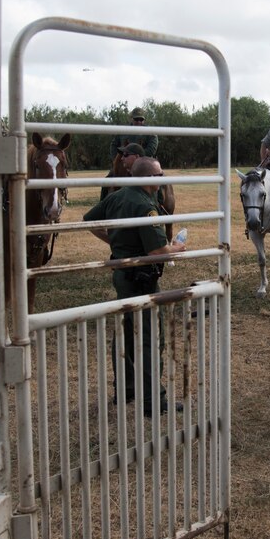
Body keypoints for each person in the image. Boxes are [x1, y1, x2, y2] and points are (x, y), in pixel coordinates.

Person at [83, 156, 186, 416]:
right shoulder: (144, 205)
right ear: (148, 179)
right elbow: (157, 251)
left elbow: (89, 220)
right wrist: (177, 248)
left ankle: (126, 390)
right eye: (159, 175)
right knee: (150, 336)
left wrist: (114, 241)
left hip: (122, 271)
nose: (162, 179)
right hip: (142, 276)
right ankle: (153, 400)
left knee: (127, 331)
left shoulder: (118, 196)